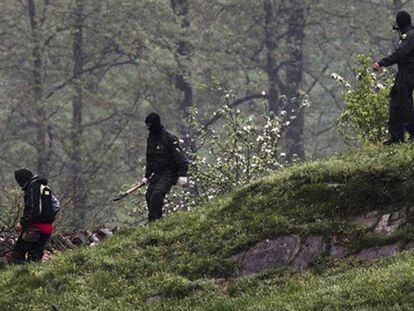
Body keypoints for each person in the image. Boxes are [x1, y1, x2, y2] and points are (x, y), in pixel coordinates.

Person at [373, 10, 414, 145]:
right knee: (396, 101)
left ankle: (412, 133)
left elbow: (399, 54)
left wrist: (381, 63)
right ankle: (396, 136)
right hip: (404, 73)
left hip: (409, 74)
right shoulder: (407, 35)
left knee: (404, 104)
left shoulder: (410, 36)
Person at [141, 113, 189, 222]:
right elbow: (150, 159)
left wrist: (182, 174)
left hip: (170, 172)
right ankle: (155, 222)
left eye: (150, 125)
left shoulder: (169, 138)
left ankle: (155, 222)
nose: (149, 128)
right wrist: (146, 176)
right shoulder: (151, 139)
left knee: (157, 194)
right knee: (149, 195)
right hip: (158, 173)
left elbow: (181, 158)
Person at [11, 168, 59, 264]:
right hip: (47, 228)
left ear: (22, 179)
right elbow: (56, 205)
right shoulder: (43, 186)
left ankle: (22, 276)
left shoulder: (32, 188)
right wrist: (48, 219)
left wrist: (22, 223)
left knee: (18, 253)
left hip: (34, 229)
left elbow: (34, 210)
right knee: (36, 256)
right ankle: (35, 276)